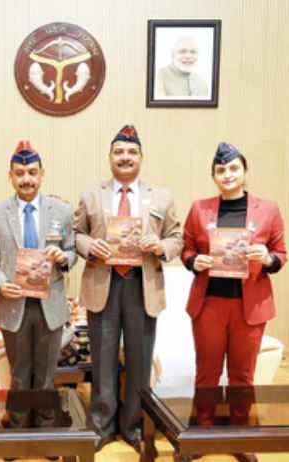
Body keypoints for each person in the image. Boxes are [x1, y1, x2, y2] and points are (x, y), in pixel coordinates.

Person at [73, 125, 182, 453]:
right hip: (103, 285)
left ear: (141, 157)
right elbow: (75, 234)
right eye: (118, 152)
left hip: (141, 287)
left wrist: (160, 246)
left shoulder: (161, 196)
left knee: (139, 361)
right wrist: (90, 246)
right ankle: (102, 426)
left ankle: (133, 426)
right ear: (110, 157)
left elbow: (176, 238)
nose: (125, 157)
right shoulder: (91, 195)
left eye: (131, 152)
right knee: (102, 361)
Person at [182, 143, 285, 462]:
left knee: (243, 376)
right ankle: (202, 432)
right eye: (221, 170)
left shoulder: (268, 210)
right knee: (207, 373)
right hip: (210, 303)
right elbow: (186, 248)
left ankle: (241, 435)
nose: (227, 174)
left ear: (245, 171)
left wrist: (267, 258)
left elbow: (281, 254)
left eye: (233, 168)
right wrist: (193, 261)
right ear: (213, 175)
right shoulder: (200, 209)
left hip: (249, 306)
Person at [0, 141, 77, 394]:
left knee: (46, 379)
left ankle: (45, 419)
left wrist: (63, 257)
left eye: (32, 172)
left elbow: (72, 250)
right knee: (19, 377)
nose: (26, 179)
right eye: (20, 173)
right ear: (10, 176)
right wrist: (0, 284)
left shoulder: (62, 211)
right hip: (14, 305)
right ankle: (18, 419)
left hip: (50, 305)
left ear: (42, 174)